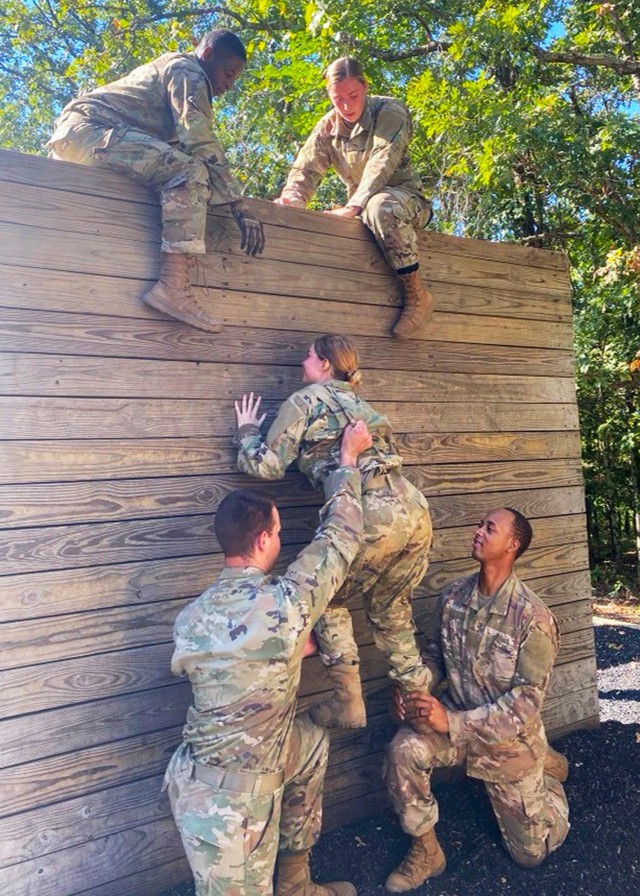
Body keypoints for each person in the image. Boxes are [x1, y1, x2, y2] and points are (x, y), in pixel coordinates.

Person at [163, 418, 372, 896]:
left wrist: (286, 647)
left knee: (313, 742)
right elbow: (340, 538)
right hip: (222, 804)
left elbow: (237, 652)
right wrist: (347, 461)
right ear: (263, 541)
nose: (280, 538)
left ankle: (296, 884)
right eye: (278, 531)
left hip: (250, 754)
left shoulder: (190, 619)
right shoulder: (284, 605)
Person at [234, 333, 433, 730]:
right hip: (413, 509)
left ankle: (348, 703)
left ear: (326, 364)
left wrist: (246, 431)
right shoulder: (363, 406)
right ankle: (423, 704)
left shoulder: (304, 401)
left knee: (324, 599)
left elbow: (266, 466)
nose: (301, 363)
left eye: (308, 355)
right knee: (391, 610)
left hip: (370, 513)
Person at [383, 508, 570, 893]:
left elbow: (525, 703)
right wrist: (413, 690)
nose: (478, 531)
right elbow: (437, 657)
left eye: (490, 528)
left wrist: (451, 723)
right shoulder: (453, 596)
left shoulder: (533, 618)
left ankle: (547, 772)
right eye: (479, 524)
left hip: (507, 741)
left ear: (512, 545)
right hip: (454, 722)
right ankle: (427, 852)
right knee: (403, 749)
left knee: (530, 856)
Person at [48, 29, 265, 333]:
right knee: (190, 172)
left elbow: (173, 148)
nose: (229, 83)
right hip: (90, 131)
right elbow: (198, 138)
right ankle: (174, 286)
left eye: (234, 78)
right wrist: (238, 204)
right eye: (228, 73)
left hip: (84, 137)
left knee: (181, 170)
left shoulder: (176, 73)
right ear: (207, 55)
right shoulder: (187, 69)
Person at [274, 57, 433, 339]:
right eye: (338, 99)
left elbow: (381, 161)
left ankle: (417, 294)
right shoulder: (328, 127)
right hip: (361, 208)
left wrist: (355, 205)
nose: (346, 106)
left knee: (379, 206)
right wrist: (291, 201)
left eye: (353, 96)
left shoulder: (390, 111)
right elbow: (306, 170)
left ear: (365, 87)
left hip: (404, 201)